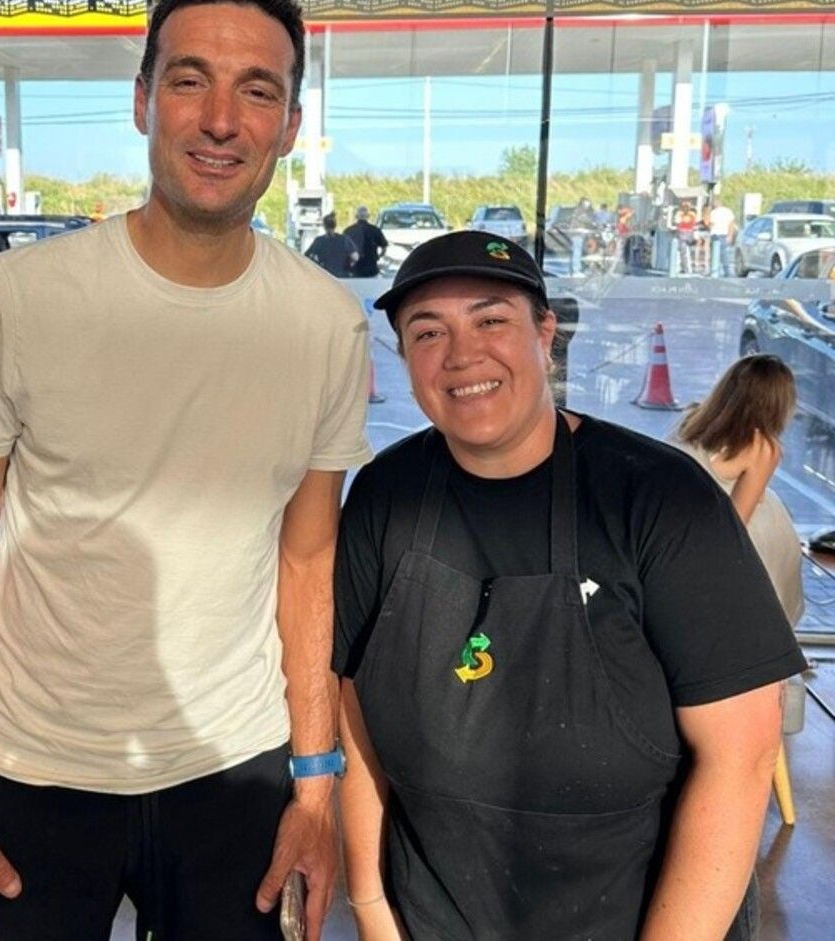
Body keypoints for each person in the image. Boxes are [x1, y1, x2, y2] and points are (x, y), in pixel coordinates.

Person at [0, 0, 372, 941]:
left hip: (235, 772)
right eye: (190, 79)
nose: (219, 120)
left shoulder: (326, 326)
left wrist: (316, 788)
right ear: (142, 100)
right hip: (30, 769)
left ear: (290, 126)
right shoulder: (23, 299)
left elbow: (308, 559)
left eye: (259, 91)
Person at [333, 230, 805, 940]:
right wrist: (370, 905)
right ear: (405, 358)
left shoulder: (660, 500)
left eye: (491, 320)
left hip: (628, 914)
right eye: (428, 332)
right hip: (432, 913)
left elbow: (740, 757)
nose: (462, 355)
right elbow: (354, 702)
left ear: (545, 332)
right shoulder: (384, 496)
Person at [675, 354, 804, 625]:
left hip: (669, 534)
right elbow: (733, 529)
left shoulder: (689, 423)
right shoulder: (762, 449)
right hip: (713, 545)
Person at [306, 212, 358, 277]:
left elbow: (306, 257)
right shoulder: (344, 239)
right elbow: (355, 257)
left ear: (324, 226)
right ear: (335, 225)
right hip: (342, 275)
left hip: (324, 275)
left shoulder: (319, 241)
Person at [345, 206, 389, 278]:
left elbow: (344, 250)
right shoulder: (375, 230)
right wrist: (378, 257)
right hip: (371, 267)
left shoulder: (348, 231)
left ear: (356, 216)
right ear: (368, 216)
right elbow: (384, 247)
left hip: (354, 268)